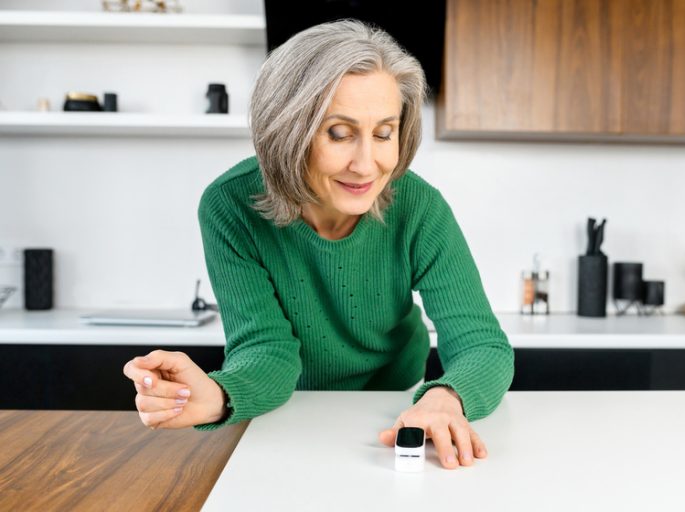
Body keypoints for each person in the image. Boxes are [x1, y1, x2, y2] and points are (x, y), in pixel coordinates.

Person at [123, 19, 514, 470]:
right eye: (339, 133)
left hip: (399, 405)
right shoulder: (230, 205)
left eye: (384, 132)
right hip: (284, 405)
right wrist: (218, 395)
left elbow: (482, 345)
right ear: (288, 130)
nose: (367, 164)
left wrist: (447, 398)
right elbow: (266, 350)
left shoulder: (419, 206)